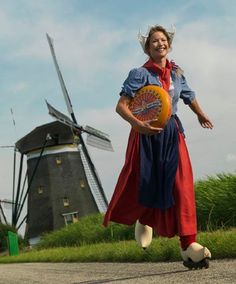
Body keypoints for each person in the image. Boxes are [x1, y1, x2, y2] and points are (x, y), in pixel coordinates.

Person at [103, 25, 213, 269]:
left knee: (181, 186)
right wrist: (138, 124)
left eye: (163, 40)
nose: (160, 43)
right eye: (154, 41)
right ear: (147, 47)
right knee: (145, 182)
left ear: (169, 44)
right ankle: (144, 219)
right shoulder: (139, 74)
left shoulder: (177, 72)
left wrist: (200, 114)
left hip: (172, 133)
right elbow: (121, 106)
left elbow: (189, 96)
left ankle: (189, 245)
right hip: (145, 135)